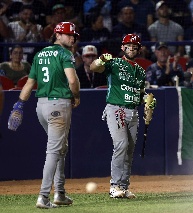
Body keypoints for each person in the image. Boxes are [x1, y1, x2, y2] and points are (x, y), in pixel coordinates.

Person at [7, 21, 80, 209]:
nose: (72, 37)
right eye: (68, 34)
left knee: (61, 148)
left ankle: (60, 193)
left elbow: (30, 83)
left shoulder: (39, 55)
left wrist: (20, 103)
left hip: (41, 107)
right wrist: (76, 96)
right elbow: (72, 80)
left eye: (73, 35)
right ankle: (43, 196)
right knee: (54, 151)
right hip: (59, 105)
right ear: (57, 35)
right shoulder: (65, 54)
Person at [90, 34, 153, 199]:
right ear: (122, 48)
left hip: (133, 112)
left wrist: (147, 101)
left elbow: (140, 95)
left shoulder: (140, 71)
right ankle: (114, 186)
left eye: (134, 46)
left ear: (139, 49)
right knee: (121, 145)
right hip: (116, 109)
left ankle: (124, 187)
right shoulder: (114, 63)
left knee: (130, 150)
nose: (131, 48)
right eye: (128, 46)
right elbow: (93, 68)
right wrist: (101, 59)